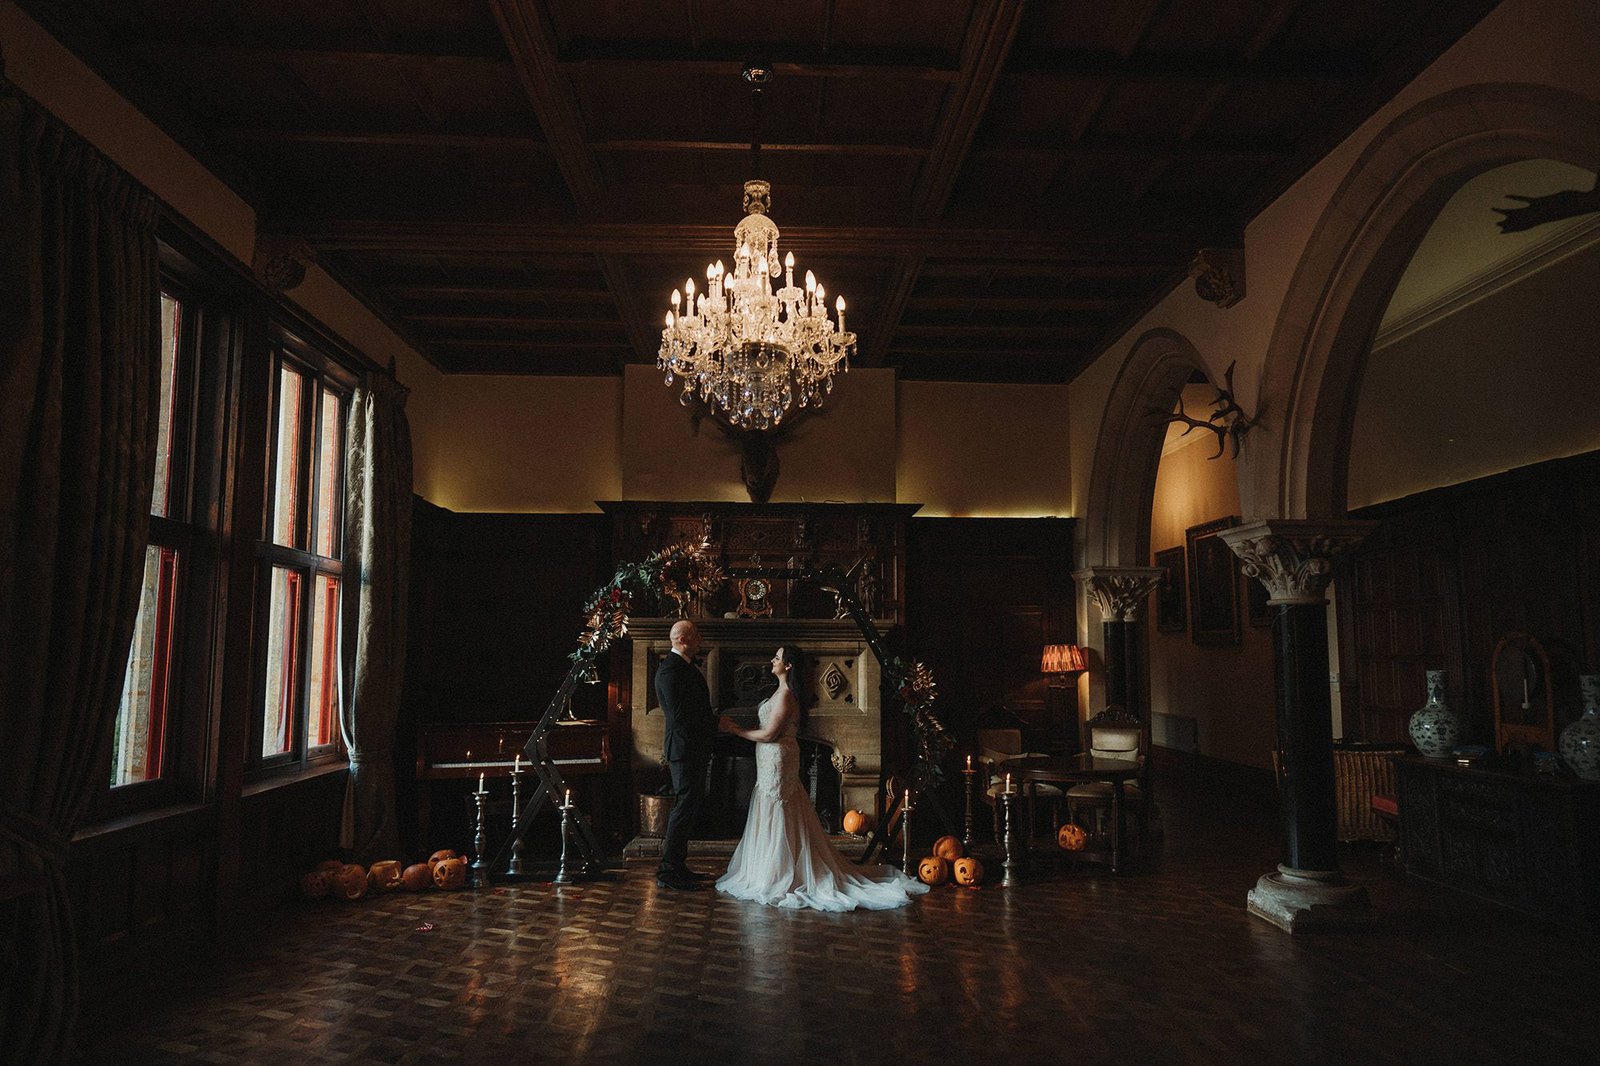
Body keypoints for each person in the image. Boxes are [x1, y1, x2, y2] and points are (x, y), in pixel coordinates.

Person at [715, 645, 928, 911]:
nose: (772, 659)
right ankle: (769, 869)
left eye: (778, 657)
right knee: (771, 806)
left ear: (789, 665)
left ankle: (780, 873)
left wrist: (734, 729)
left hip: (778, 758)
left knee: (780, 806)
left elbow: (770, 734)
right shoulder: (779, 693)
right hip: (769, 759)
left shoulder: (786, 696)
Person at [654, 620, 716, 891]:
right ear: (682, 639)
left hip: (692, 746)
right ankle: (668, 870)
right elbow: (680, 716)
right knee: (683, 806)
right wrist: (715, 723)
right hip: (683, 748)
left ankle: (678, 865)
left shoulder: (684, 667)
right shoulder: (670, 671)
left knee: (688, 806)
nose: (701, 639)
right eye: (696, 636)